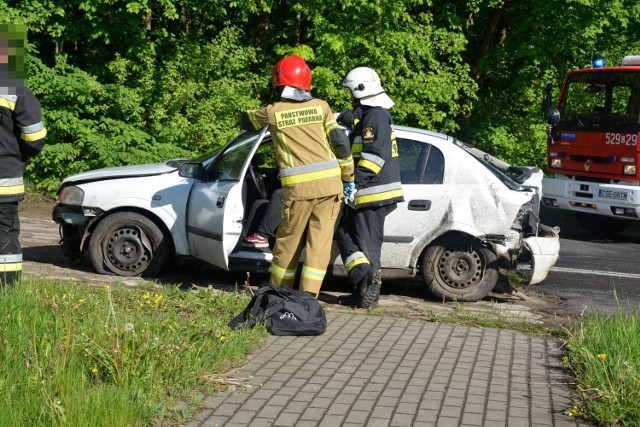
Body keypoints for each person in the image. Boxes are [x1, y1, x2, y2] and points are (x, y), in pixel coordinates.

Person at [241, 55, 354, 297]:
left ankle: (278, 294)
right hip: (330, 188)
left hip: (299, 191)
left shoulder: (273, 111)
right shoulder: (321, 106)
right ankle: (307, 300)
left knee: (288, 244)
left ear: (280, 84)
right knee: (318, 247)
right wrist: (348, 177)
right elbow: (340, 144)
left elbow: (246, 120)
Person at [335, 67, 404, 308]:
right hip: (369, 191)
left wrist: (354, 183)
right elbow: (357, 125)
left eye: (351, 93)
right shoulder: (370, 116)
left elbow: (374, 156)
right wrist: (343, 117)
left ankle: (369, 293)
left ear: (358, 90)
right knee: (343, 233)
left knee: (368, 244)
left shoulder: (377, 116)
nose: (350, 98)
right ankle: (361, 279)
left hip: (372, 191)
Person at [0, 25, 47, 289]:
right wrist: (26, 155)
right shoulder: (15, 90)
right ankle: (7, 290)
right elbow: (34, 137)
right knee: (5, 236)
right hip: (4, 180)